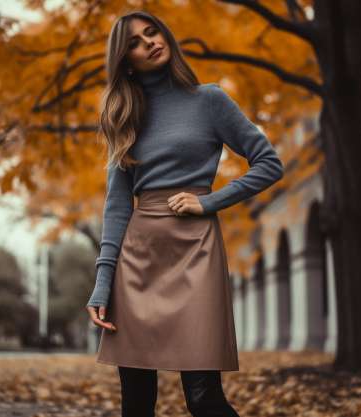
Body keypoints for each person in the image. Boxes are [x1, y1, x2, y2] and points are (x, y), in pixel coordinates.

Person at [86, 10, 284, 417]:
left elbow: (268, 163)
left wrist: (208, 201)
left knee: (204, 399)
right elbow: (118, 202)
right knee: (137, 403)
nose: (150, 43)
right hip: (138, 259)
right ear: (126, 60)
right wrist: (103, 281)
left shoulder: (209, 100)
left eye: (152, 32)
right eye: (136, 43)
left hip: (196, 251)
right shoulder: (123, 115)